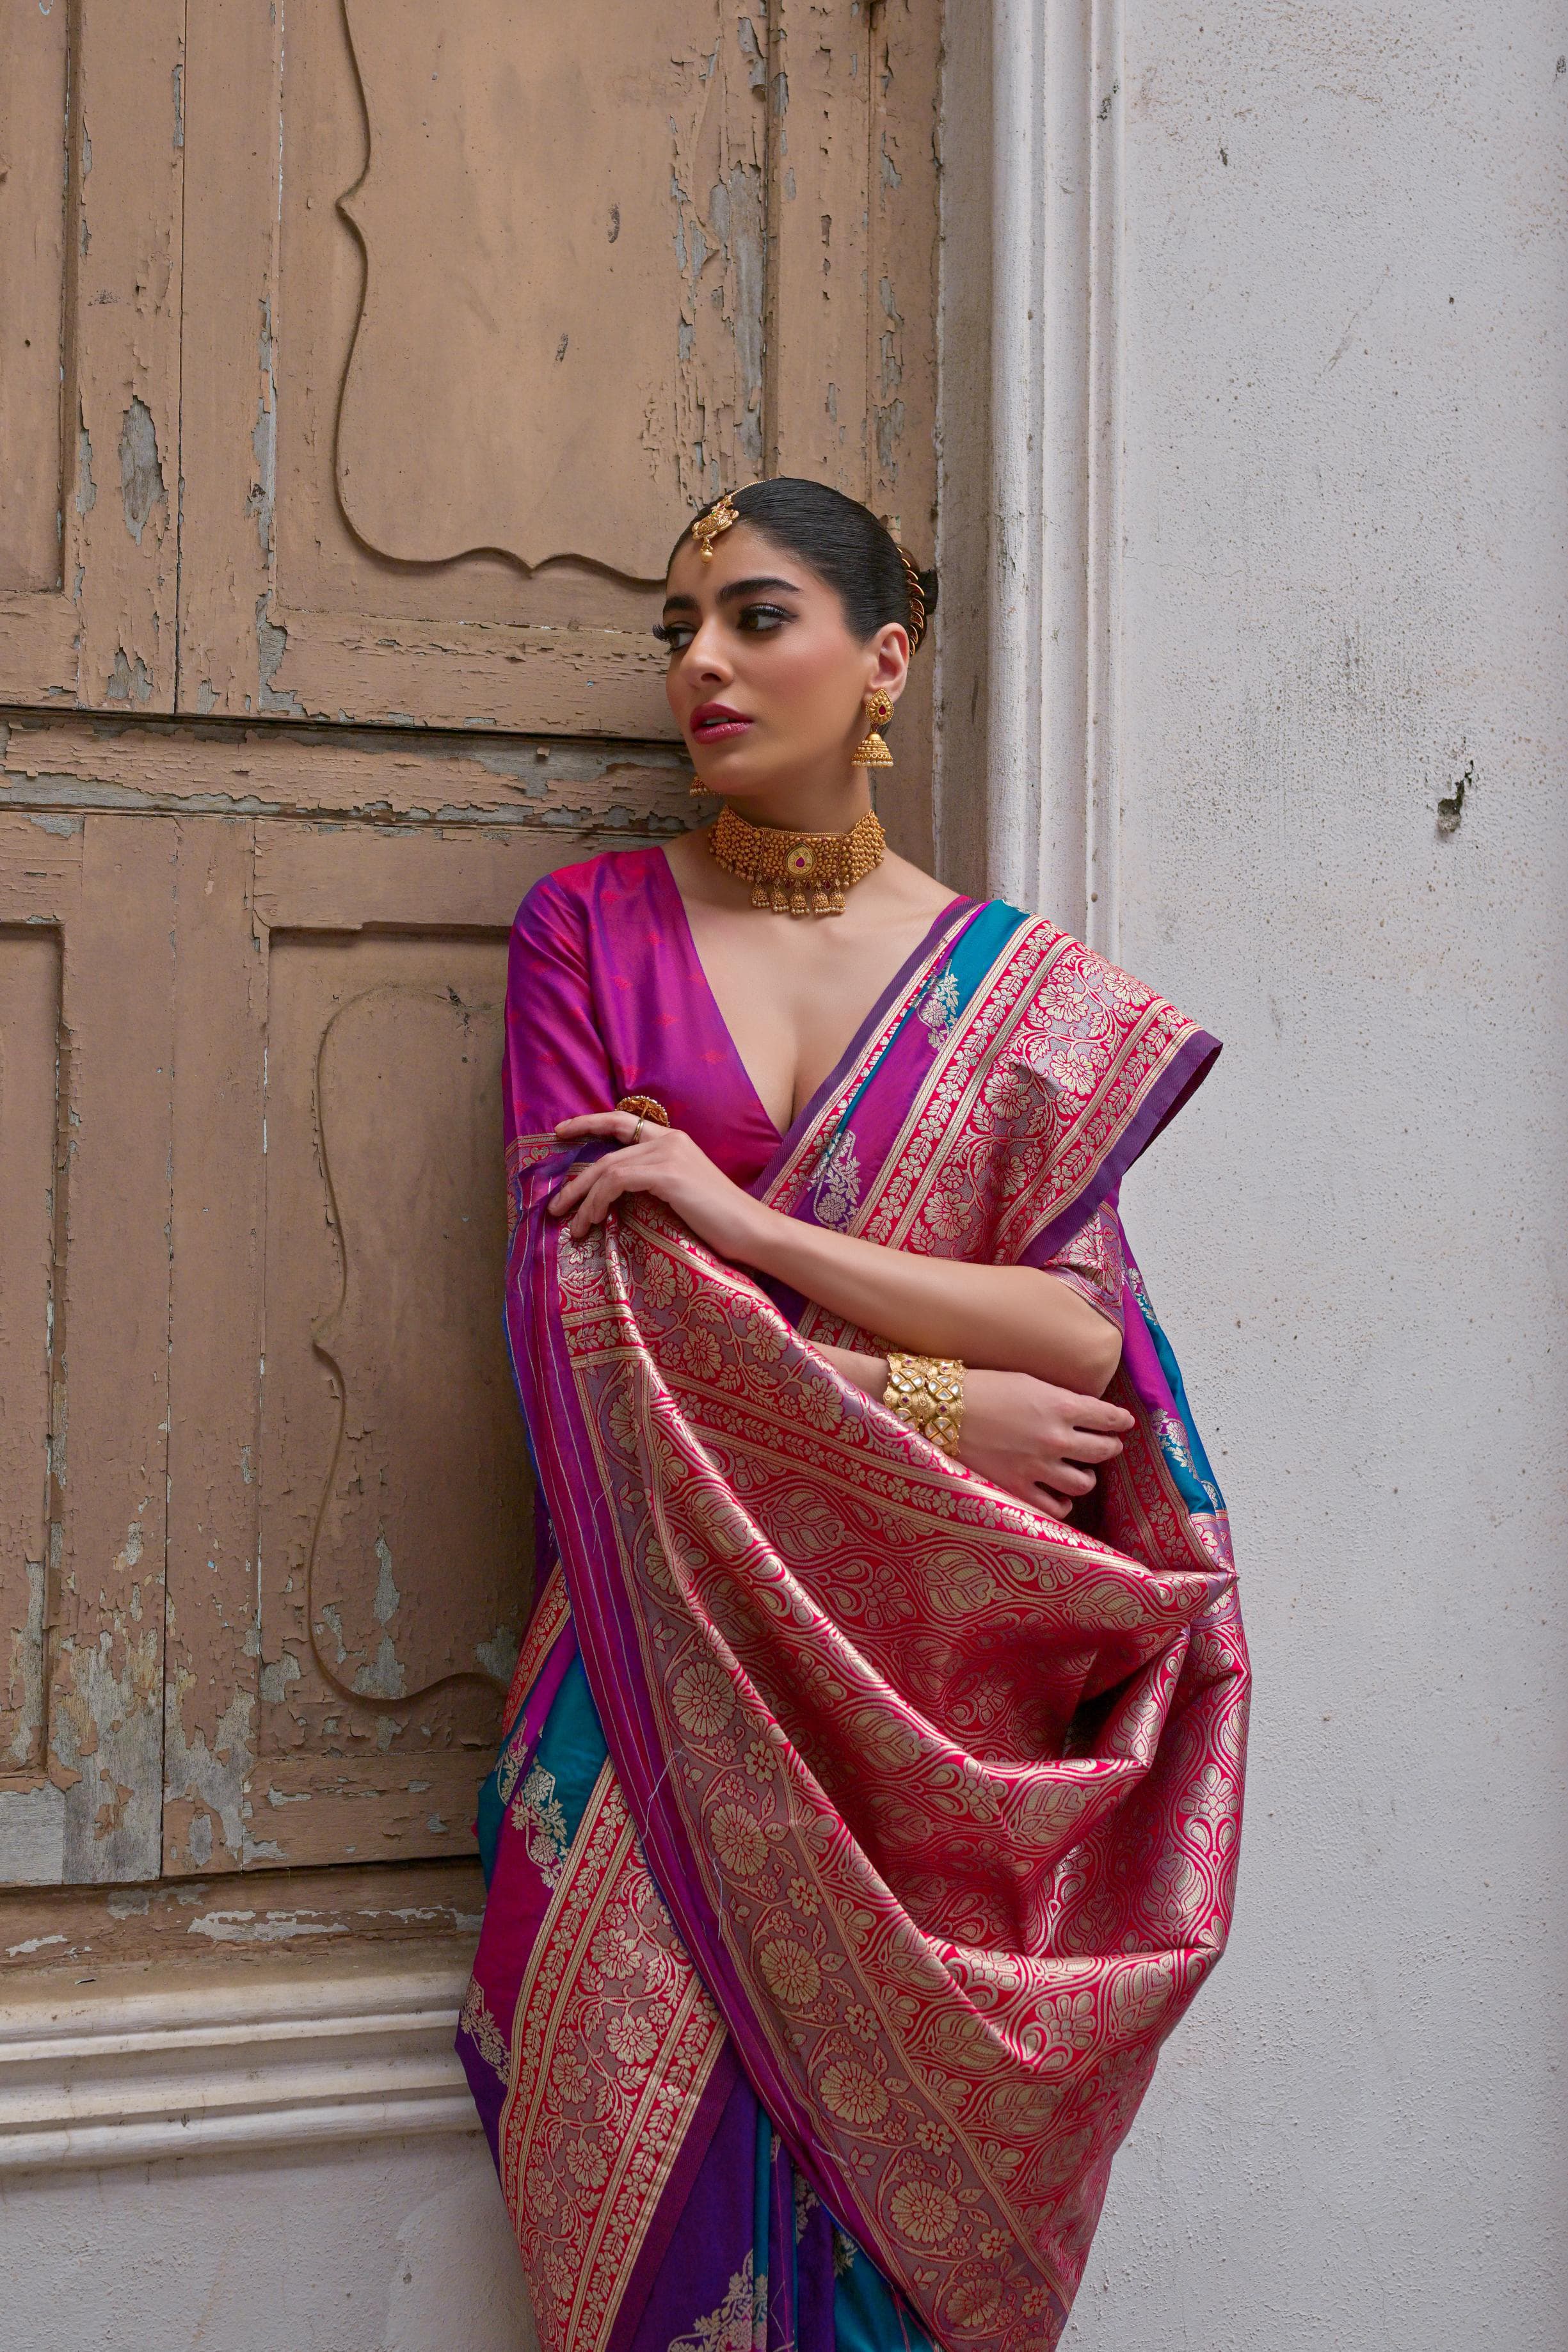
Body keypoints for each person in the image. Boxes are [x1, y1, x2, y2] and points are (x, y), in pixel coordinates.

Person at [458, 479, 1249, 2352]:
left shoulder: (1018, 990)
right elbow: (588, 1312)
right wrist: (928, 1399)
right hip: (660, 1664)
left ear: (884, 659)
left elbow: (1078, 1345)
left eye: (756, 617)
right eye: (680, 631)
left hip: (926, 1720)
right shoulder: (588, 932)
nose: (704, 666)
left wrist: (737, 1228)